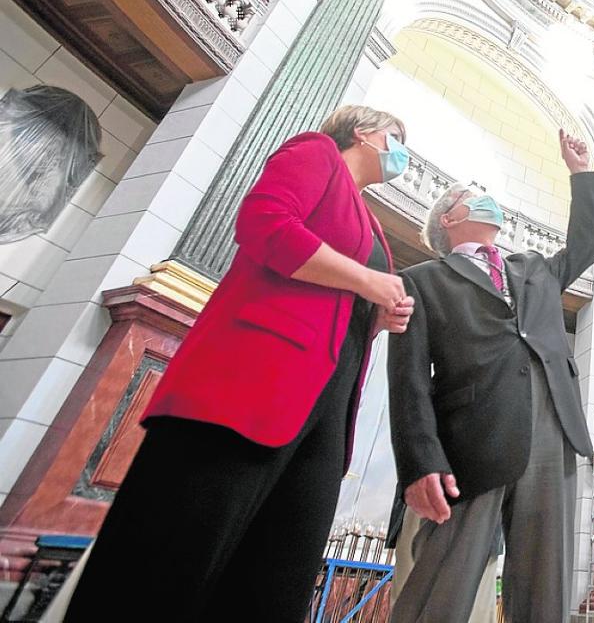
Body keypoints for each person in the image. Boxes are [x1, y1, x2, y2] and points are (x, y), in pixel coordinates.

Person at [65, 105, 413, 622]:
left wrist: (374, 316)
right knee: (172, 559)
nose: (402, 150)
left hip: (323, 409)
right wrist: (367, 282)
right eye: (396, 136)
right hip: (251, 386)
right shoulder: (314, 152)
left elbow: (335, 299)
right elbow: (264, 223)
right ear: (361, 133)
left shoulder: (370, 221)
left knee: (273, 577)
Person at [387, 130, 594, 623]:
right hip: (473, 438)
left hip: (553, 425)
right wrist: (418, 462)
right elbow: (408, 382)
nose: (487, 198)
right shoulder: (422, 280)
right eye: (472, 194)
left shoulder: (532, 268)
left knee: (544, 584)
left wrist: (581, 174)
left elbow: (590, 242)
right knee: (445, 579)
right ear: (449, 218)